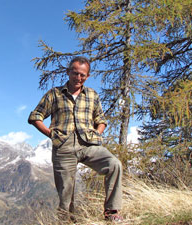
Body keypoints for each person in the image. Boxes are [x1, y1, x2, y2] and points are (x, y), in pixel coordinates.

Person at [28, 56, 123, 222]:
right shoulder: (55, 94)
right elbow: (35, 116)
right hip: (63, 147)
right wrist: (51, 134)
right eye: (75, 73)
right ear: (68, 72)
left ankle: (111, 212)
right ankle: (67, 221)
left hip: (88, 144)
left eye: (82, 75)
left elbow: (101, 119)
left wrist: (98, 133)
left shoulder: (92, 95)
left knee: (114, 164)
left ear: (87, 76)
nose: (78, 77)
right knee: (66, 195)